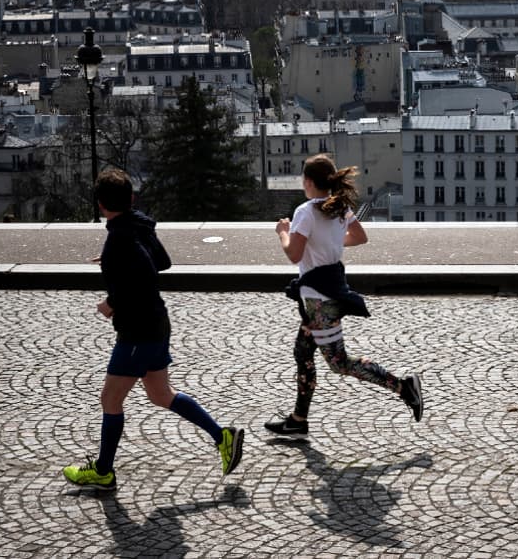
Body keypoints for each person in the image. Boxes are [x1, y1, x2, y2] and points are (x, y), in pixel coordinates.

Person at [62, 169, 243, 489]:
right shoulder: (138, 225)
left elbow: (144, 273)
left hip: (137, 331)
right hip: (157, 323)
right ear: (131, 199)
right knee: (160, 394)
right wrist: (112, 260)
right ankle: (222, 436)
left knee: (110, 399)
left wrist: (111, 303)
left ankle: (103, 471)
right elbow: (162, 261)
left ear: (101, 205)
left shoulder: (120, 236)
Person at [266, 154, 424, 438]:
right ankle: (298, 420)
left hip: (319, 300)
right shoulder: (339, 206)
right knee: (302, 352)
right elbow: (360, 236)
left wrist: (283, 232)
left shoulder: (305, 211)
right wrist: (331, 241)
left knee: (340, 363)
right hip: (330, 288)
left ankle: (404, 387)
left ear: (309, 182)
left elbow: (293, 254)